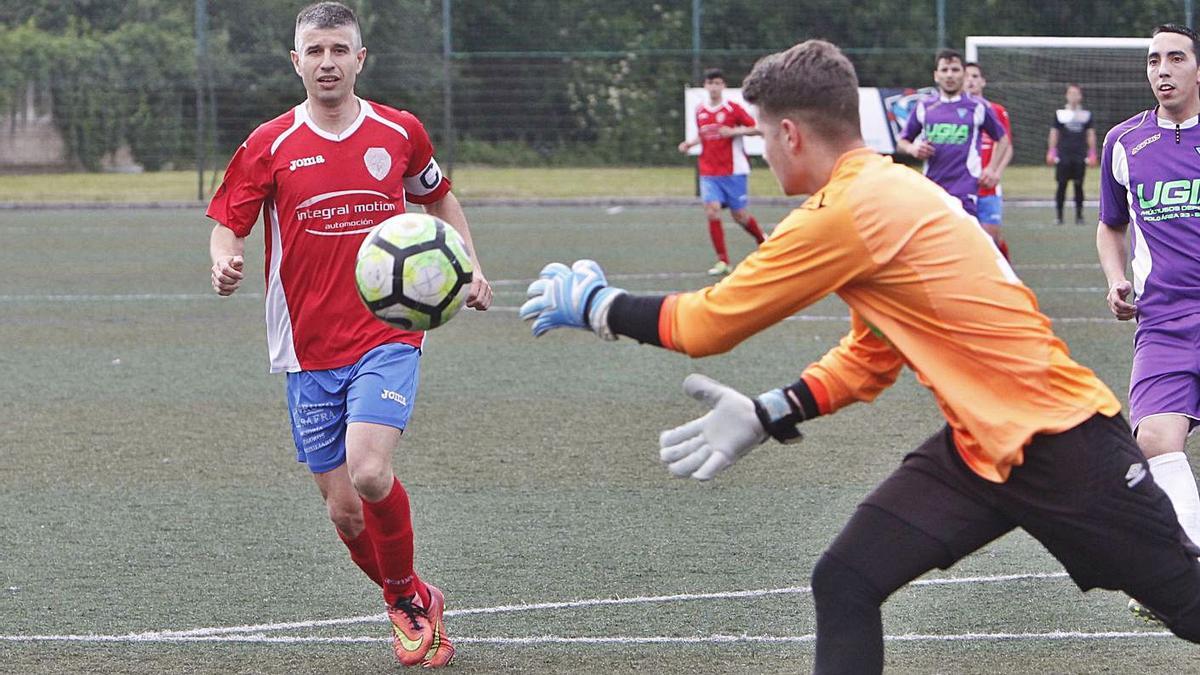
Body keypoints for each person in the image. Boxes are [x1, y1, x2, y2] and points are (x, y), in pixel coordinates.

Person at [521, 39, 1200, 673]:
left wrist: (598, 307)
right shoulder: (885, 189)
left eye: (762, 135)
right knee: (847, 578)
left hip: (1065, 443)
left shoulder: (848, 209)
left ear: (790, 133)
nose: (761, 150)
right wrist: (770, 410)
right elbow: (871, 357)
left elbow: (707, 323)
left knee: (1190, 606)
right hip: (979, 447)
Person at [206, 2, 492, 668]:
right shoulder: (269, 144)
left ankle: (405, 605)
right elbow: (228, 221)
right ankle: (416, 593)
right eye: (315, 51)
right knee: (344, 512)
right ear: (296, 61)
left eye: (340, 50)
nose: (328, 62)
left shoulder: (398, 131)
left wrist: (471, 262)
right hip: (305, 348)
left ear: (359, 59)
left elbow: (438, 196)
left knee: (368, 470)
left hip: (388, 334)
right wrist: (223, 256)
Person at [1096, 23, 1200, 625]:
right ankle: (1184, 568)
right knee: (1155, 439)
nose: (1163, 69)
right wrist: (1115, 278)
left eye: (1176, 58)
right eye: (1154, 60)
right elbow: (1111, 226)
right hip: (1162, 322)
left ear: (1197, 69)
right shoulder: (1123, 142)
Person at [897, 49, 1010, 223]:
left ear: (964, 74)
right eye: (944, 70)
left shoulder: (978, 107)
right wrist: (913, 148)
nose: (950, 75)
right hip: (932, 190)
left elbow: (1002, 139)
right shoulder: (924, 106)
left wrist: (991, 168)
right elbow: (902, 141)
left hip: (965, 191)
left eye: (955, 70)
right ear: (936, 75)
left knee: (964, 246)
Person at [678, 67, 766, 276]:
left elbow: (758, 128)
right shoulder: (700, 110)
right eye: (710, 83)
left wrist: (734, 131)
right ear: (705, 86)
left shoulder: (732, 109)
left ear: (723, 86)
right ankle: (723, 261)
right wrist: (690, 144)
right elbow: (704, 134)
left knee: (740, 216)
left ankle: (763, 241)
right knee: (712, 210)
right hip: (709, 171)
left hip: (733, 171)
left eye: (718, 83)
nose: (714, 87)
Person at [964, 61, 1014, 259]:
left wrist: (996, 172)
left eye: (975, 76)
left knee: (990, 240)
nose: (971, 81)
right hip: (964, 186)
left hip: (988, 185)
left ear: (983, 81)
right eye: (967, 76)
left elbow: (1007, 146)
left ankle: (1006, 274)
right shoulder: (957, 112)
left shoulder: (996, 111)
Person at [1048, 84, 1098, 225]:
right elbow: (1054, 133)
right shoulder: (1060, 114)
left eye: (1076, 93)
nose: (1074, 96)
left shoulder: (1086, 115)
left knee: (1079, 185)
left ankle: (1079, 216)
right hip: (1064, 156)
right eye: (1071, 93)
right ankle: (1059, 216)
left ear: (1080, 96)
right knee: (1061, 185)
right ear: (1067, 95)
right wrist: (1052, 151)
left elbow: (1090, 134)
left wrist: (1092, 152)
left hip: (1079, 155)